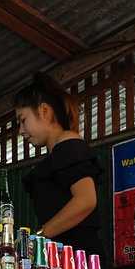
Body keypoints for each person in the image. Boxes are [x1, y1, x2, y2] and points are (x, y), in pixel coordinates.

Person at [14, 73, 103, 259]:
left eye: (23, 120)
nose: (21, 131)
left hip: (79, 261)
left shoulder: (68, 145)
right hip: (70, 260)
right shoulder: (60, 151)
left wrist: (39, 236)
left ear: (44, 111)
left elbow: (86, 200)